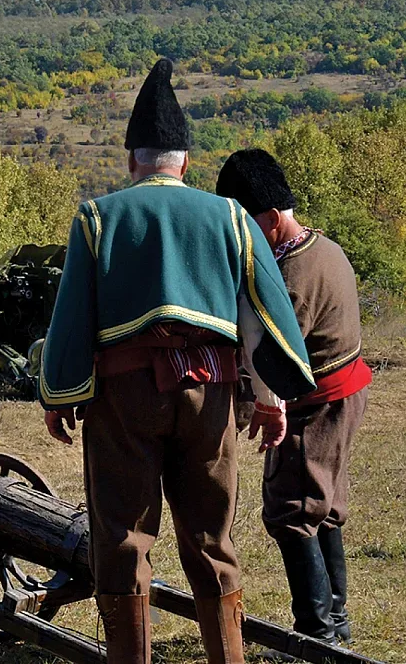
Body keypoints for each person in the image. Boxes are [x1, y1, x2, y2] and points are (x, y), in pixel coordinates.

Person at [39, 59, 316, 664]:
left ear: (132, 160)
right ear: (185, 162)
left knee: (122, 540)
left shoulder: (97, 217)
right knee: (213, 538)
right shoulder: (232, 218)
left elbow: (72, 317)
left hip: (123, 401)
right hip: (210, 397)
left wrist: (60, 396)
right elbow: (260, 315)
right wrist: (270, 403)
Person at [216, 149, 373, 649]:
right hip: (340, 397)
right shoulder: (325, 248)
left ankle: (318, 635)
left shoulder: (290, 275)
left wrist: (245, 403)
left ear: (270, 217)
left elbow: (272, 357)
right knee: (322, 508)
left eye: (246, 222)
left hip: (314, 406)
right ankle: (335, 626)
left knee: (293, 511)